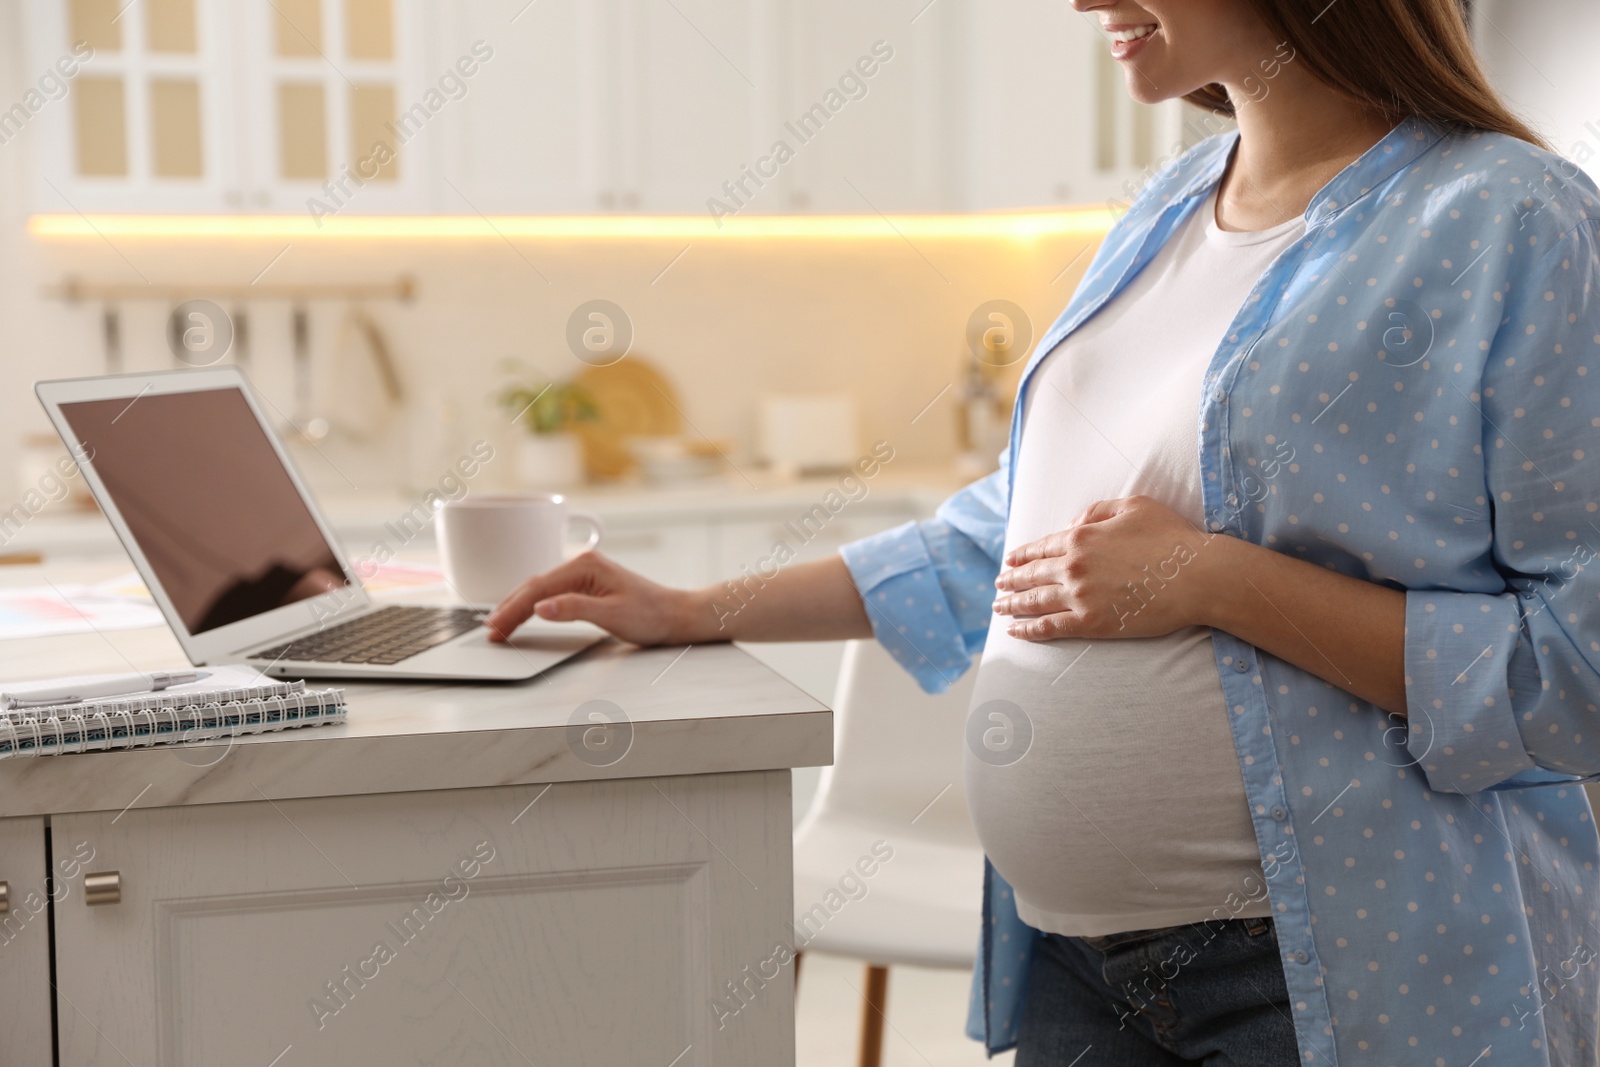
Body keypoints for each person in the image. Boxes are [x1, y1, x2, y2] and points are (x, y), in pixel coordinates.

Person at [487, 0, 1600, 1062]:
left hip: (1345, 969)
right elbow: (1002, 534)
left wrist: (1213, 578)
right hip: (1082, 966)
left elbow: (1575, 662)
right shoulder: (1167, 210)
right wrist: (693, 609)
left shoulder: (1508, 217)